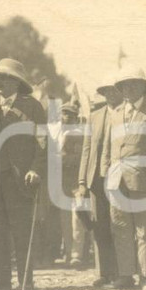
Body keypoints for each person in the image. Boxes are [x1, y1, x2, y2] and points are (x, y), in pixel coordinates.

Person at [0, 59, 47, 290]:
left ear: (17, 82)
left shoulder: (33, 107)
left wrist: (36, 168)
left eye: (5, 78)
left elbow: (43, 142)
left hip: (20, 177)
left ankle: (26, 280)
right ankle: (1, 280)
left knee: (21, 230)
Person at [101, 65, 146, 289]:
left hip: (143, 178)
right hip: (115, 179)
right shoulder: (115, 112)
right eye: (123, 85)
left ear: (144, 86)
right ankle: (125, 275)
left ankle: (144, 275)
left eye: (133, 83)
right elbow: (107, 144)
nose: (128, 88)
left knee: (143, 229)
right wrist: (105, 170)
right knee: (120, 226)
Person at [76, 75, 121, 288]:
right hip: (96, 178)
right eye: (107, 91)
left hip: (120, 178)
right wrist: (82, 181)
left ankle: (123, 271)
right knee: (100, 226)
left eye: (114, 90)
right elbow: (86, 150)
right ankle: (104, 271)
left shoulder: (126, 114)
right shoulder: (94, 116)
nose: (111, 94)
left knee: (119, 225)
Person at [58, 100, 89, 268]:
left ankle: (77, 254)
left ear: (76, 117)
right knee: (64, 219)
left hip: (76, 180)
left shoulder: (79, 134)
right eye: (63, 113)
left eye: (70, 114)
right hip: (61, 181)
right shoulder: (56, 134)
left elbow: (79, 157)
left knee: (77, 218)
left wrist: (59, 159)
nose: (66, 117)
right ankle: (69, 252)